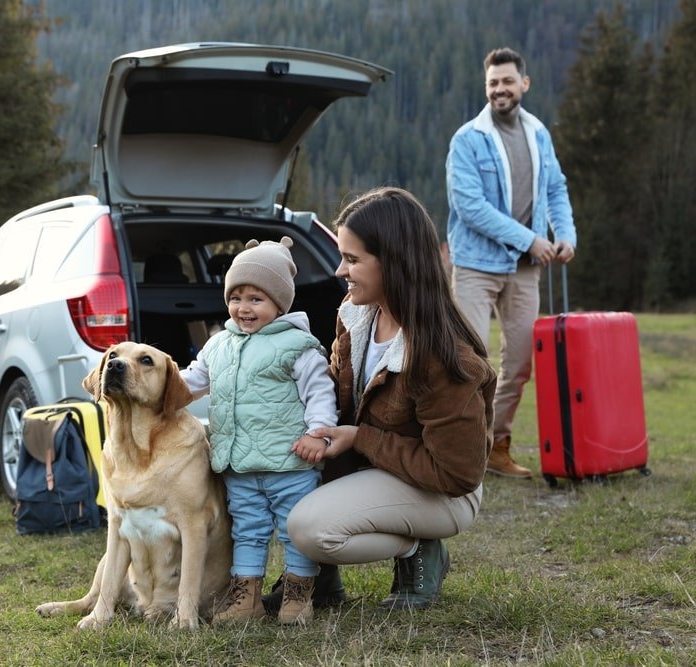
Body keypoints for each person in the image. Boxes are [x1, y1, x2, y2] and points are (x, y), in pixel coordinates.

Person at [285, 186, 496, 610]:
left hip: (443, 492)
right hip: (378, 469)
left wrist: (360, 439)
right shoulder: (356, 314)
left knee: (310, 528)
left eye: (352, 259)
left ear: (394, 262)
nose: (339, 269)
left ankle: (419, 549)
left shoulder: (443, 355)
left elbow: (457, 473)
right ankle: (315, 580)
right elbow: (337, 394)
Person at [180, 236, 337, 625]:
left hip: (291, 463)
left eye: (255, 299)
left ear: (279, 303)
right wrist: (157, 389)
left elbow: (319, 392)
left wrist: (320, 433)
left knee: (292, 531)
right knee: (247, 531)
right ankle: (246, 599)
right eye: (236, 298)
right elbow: (190, 381)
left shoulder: (297, 345)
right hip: (240, 465)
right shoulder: (218, 346)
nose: (243, 308)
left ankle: (298, 597)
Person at [446, 46, 577, 478]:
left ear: (524, 83)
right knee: (470, 360)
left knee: (519, 362)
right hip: (477, 265)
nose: (499, 89)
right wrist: (530, 238)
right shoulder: (468, 139)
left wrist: (565, 235)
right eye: (492, 83)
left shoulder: (539, 133)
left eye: (506, 81)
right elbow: (470, 207)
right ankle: (459, 451)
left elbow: (555, 188)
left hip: (525, 270)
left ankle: (496, 448)